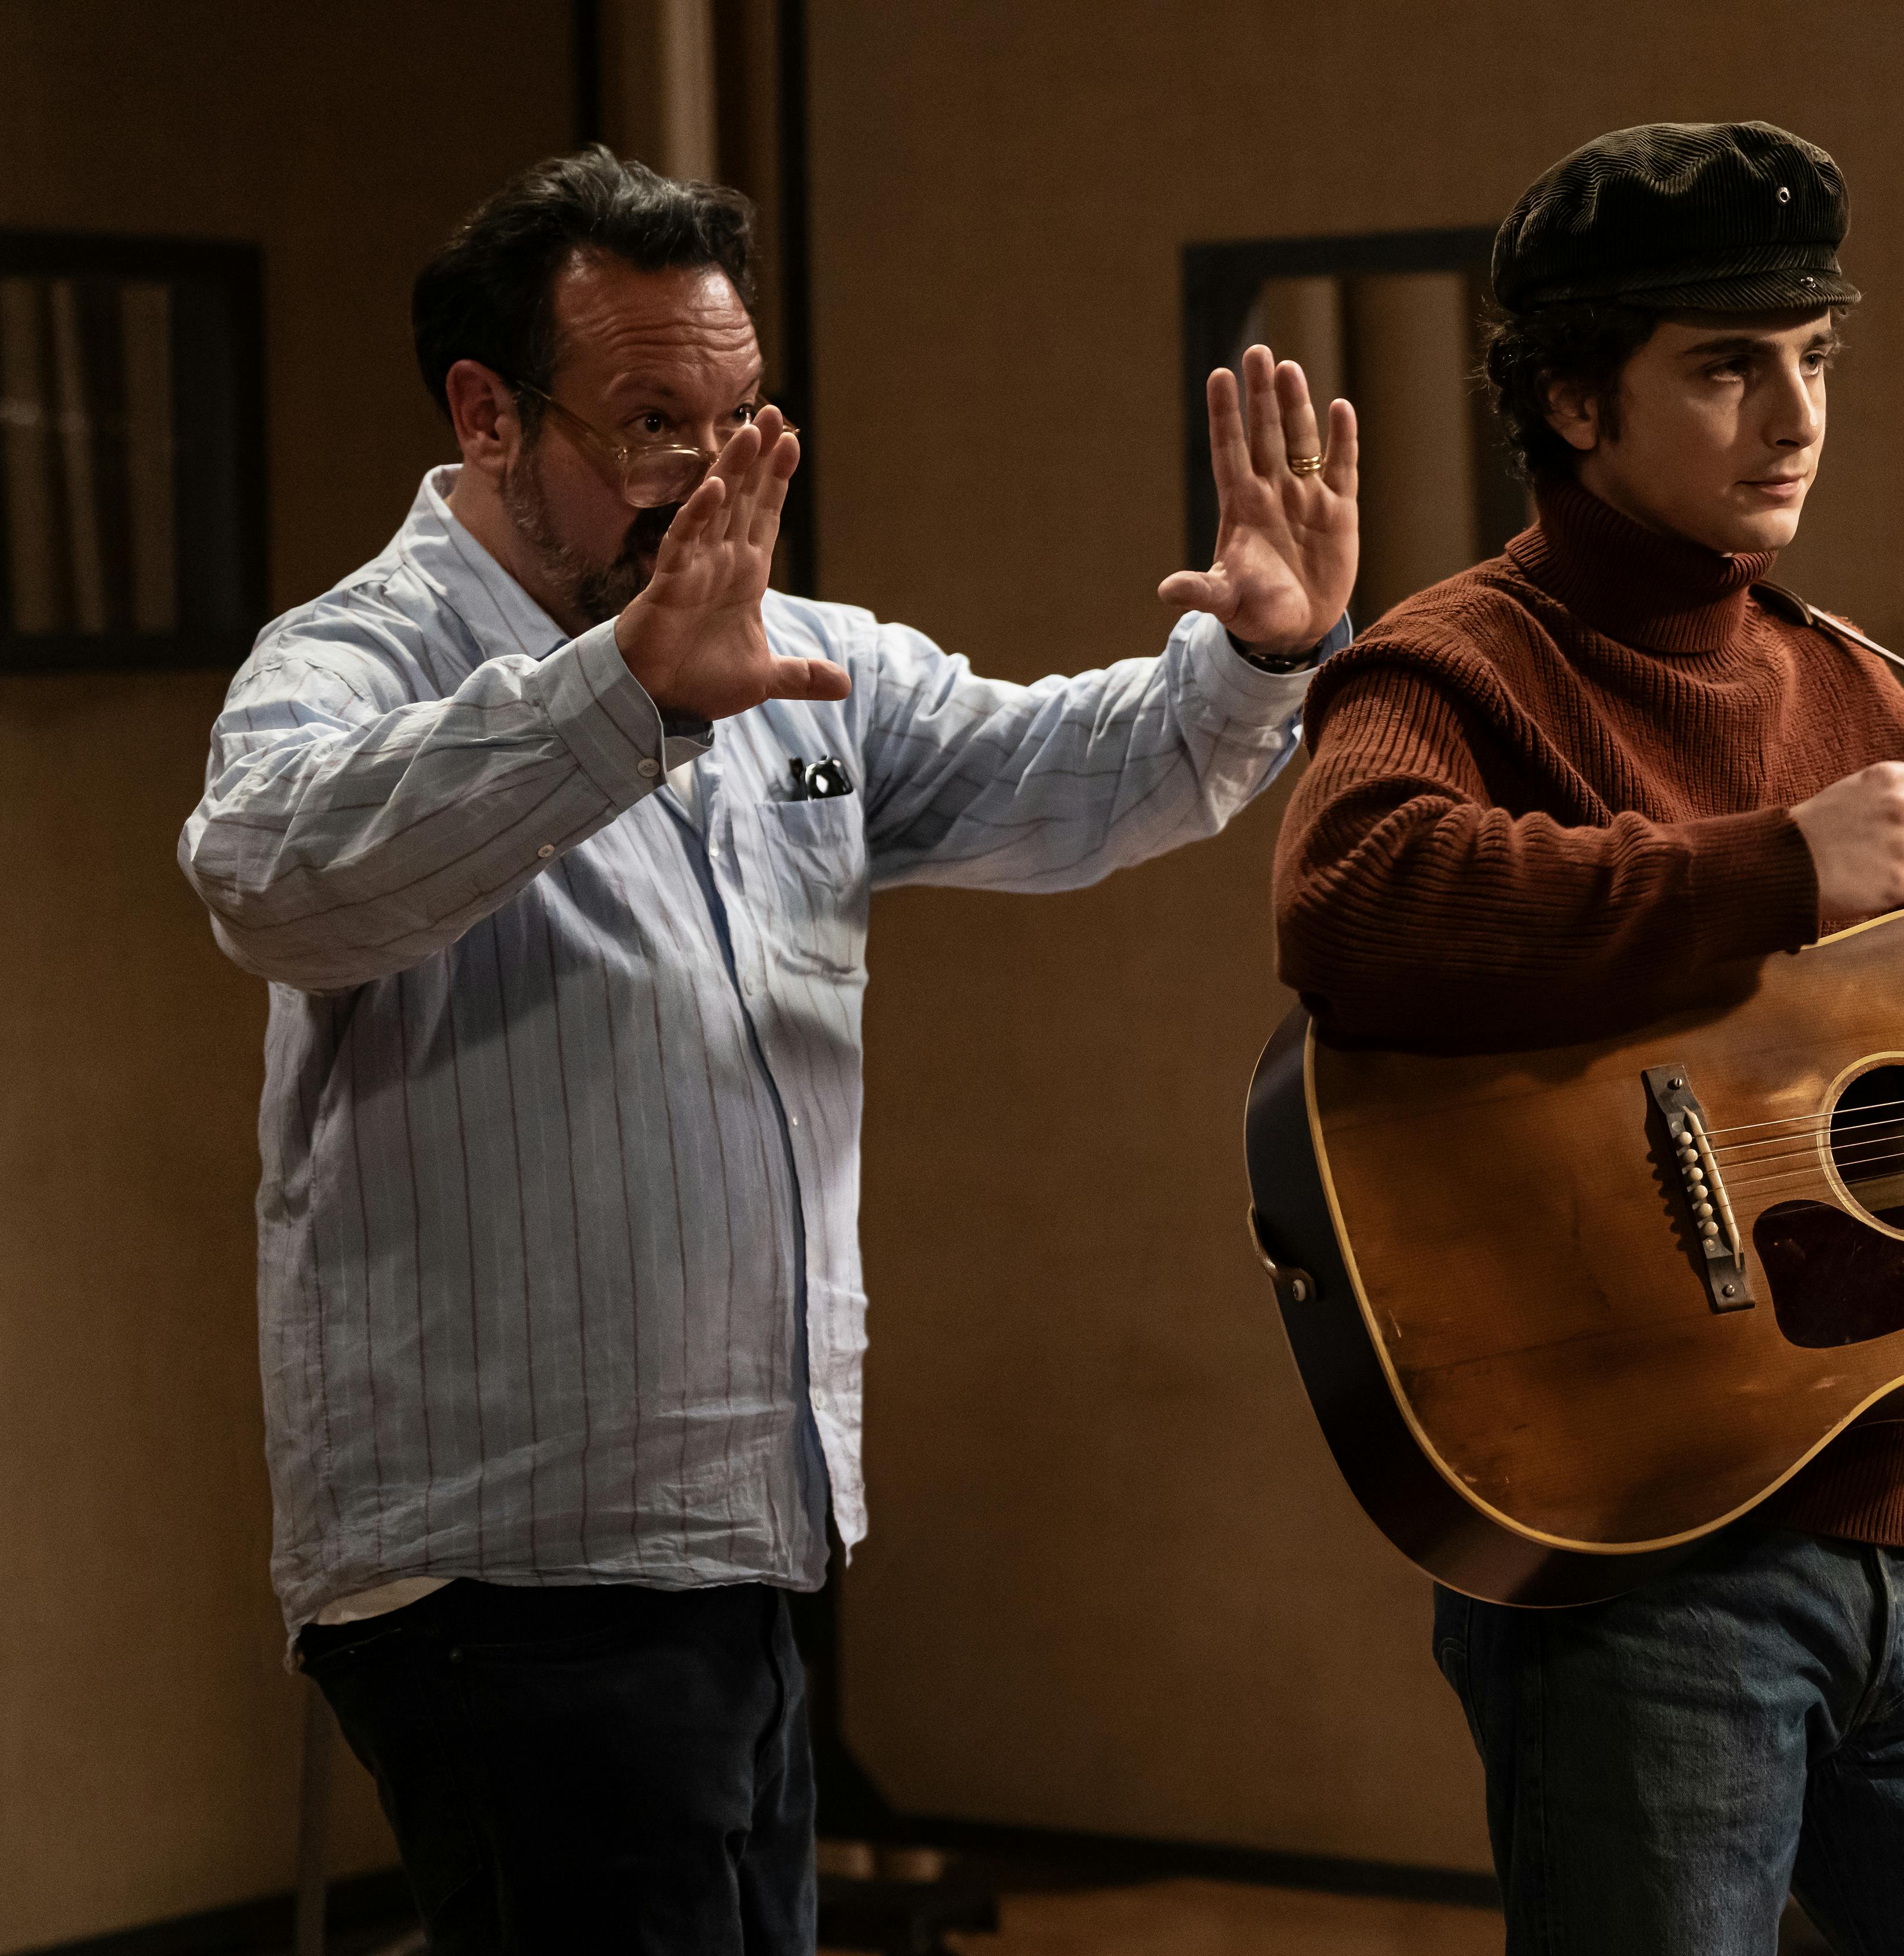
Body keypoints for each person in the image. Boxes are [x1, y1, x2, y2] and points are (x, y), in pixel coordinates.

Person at [178, 147, 1359, 1954]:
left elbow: (1061, 775)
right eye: (651, 424)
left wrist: (1259, 659)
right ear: (488, 415)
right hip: (505, 1566)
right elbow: (274, 879)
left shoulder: (797, 660)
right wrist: (628, 696)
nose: (708, 477)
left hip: (747, 1526)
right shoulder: (350, 659)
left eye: (739, 420)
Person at [1270, 122, 1904, 1953]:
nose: (1794, 413)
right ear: (1577, 404)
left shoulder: (1852, 684)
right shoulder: (1457, 663)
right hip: (1644, 1556)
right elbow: (1354, 901)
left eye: (1812, 360)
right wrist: (1767, 868)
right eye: (1729, 367)